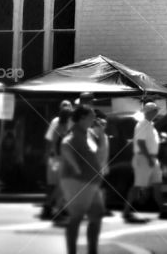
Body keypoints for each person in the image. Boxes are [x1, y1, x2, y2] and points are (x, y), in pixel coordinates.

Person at [59, 105, 105, 254]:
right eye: (92, 115)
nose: (95, 118)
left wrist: (102, 132)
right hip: (77, 180)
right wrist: (75, 167)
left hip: (91, 181)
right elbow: (65, 145)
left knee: (97, 214)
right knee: (77, 216)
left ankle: (92, 251)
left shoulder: (89, 133)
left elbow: (99, 150)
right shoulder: (75, 133)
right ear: (82, 118)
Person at [123, 102, 164, 223]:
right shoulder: (142, 125)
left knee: (157, 184)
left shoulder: (150, 125)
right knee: (138, 185)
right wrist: (149, 158)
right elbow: (141, 143)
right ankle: (126, 209)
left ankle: (162, 208)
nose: (156, 112)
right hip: (143, 158)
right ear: (149, 112)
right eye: (154, 110)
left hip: (151, 158)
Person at [42, 100, 73, 221]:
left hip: (61, 159)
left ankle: (56, 207)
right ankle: (51, 207)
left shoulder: (68, 125)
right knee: (57, 185)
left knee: (61, 185)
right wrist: (52, 156)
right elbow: (53, 143)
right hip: (58, 159)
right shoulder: (58, 125)